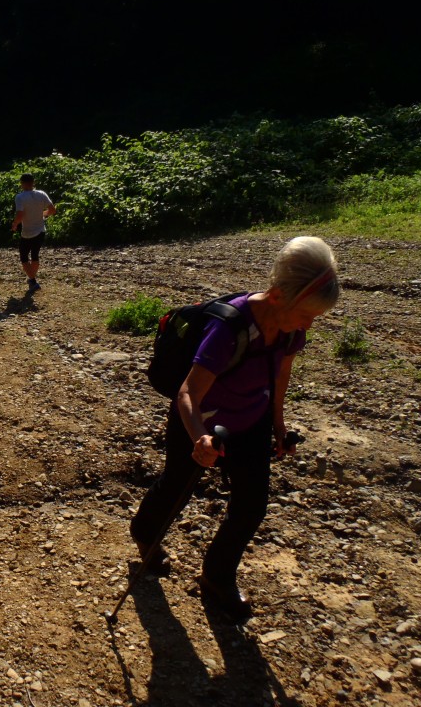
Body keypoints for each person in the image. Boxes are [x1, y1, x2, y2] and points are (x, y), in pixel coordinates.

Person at [128, 236, 340, 621]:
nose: (309, 325)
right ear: (277, 296)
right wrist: (199, 439)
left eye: (314, 318)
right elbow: (188, 392)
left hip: (251, 421)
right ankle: (145, 533)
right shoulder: (230, 328)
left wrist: (278, 425)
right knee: (178, 484)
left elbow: (281, 373)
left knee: (251, 505)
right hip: (203, 422)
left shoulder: (291, 327)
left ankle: (216, 576)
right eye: (306, 315)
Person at [10, 173, 55, 292]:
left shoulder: (20, 197)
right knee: (35, 255)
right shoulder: (41, 194)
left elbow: (20, 214)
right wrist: (43, 214)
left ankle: (33, 281)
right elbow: (52, 210)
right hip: (40, 230)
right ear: (33, 182)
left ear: (22, 184)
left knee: (24, 256)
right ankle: (32, 280)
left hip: (27, 232)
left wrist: (15, 224)